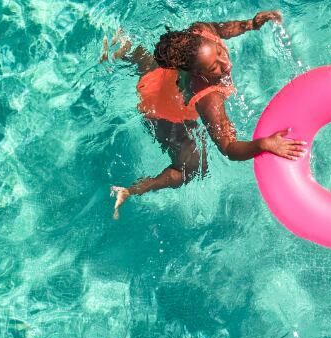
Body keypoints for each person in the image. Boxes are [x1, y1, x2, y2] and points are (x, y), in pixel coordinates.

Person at [104, 13, 306, 218]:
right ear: (198, 75)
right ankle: (133, 190)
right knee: (190, 170)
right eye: (214, 68)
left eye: (219, 52)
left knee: (148, 67)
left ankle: (114, 39)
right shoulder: (208, 99)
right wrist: (263, 144)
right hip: (162, 113)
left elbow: (220, 29)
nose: (225, 63)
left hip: (160, 80)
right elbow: (228, 147)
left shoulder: (201, 34)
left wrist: (250, 24)